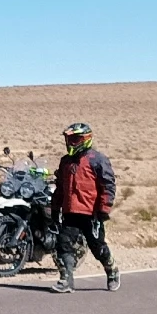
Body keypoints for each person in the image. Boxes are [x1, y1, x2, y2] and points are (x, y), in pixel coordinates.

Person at [52, 122, 119, 293]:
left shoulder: (97, 159)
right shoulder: (65, 162)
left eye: (75, 139)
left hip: (91, 213)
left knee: (98, 247)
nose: (71, 143)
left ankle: (111, 270)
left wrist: (104, 209)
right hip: (70, 212)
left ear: (85, 139)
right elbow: (60, 187)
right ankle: (66, 281)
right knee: (63, 245)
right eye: (69, 139)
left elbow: (108, 185)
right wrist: (55, 208)